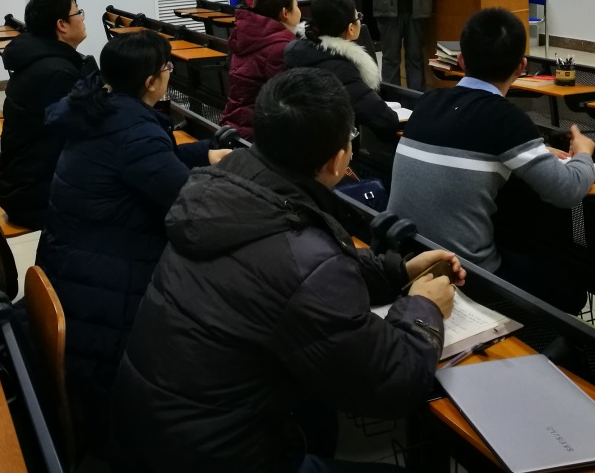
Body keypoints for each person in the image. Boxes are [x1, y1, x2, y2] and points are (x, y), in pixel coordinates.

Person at [111, 68, 464, 472]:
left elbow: (300, 271)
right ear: (338, 160)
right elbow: (394, 384)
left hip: (156, 433)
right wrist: (423, 309)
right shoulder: (299, 254)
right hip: (217, 456)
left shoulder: (226, 187)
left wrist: (396, 272)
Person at [35, 30, 230, 452]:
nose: (169, 74)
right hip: (106, 294)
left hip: (73, 266)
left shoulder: (101, 109)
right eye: (167, 67)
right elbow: (192, 208)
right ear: (150, 81)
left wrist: (203, 154)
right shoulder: (134, 130)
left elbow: (144, 162)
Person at [388, 8, 595, 312]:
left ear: (461, 61)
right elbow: (567, 190)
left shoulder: (429, 102)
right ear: (521, 66)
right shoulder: (505, 118)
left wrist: (533, 151)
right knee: (569, 287)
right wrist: (584, 152)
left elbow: (474, 143)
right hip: (467, 275)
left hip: (404, 258)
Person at [0, 0, 96, 230]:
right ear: (61, 25)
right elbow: (86, 133)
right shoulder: (57, 73)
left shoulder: (40, 58)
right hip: (36, 198)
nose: (83, 18)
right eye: (78, 13)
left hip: (22, 187)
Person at [284, 0, 399, 143]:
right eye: (358, 17)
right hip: (329, 149)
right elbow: (383, 119)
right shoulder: (341, 69)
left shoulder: (298, 51)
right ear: (351, 28)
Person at [220, 0, 301, 140]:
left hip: (234, 122)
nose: (299, 10)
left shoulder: (246, 35)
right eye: (297, 5)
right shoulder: (281, 48)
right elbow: (286, 100)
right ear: (285, 13)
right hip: (258, 133)